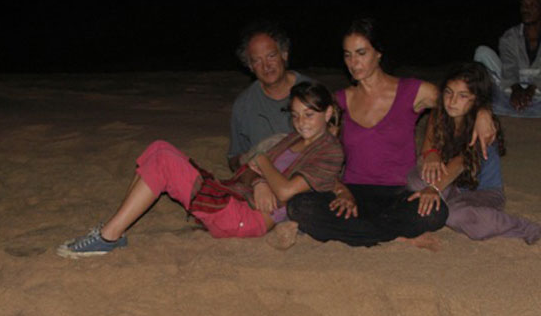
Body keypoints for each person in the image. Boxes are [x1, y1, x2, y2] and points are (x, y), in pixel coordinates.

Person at [57, 82, 344, 258]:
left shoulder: (329, 150)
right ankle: (112, 232)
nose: (300, 122)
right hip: (239, 196)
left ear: (328, 113)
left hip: (248, 220)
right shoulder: (295, 139)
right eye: (295, 115)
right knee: (159, 148)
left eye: (309, 115)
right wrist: (258, 181)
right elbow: (247, 170)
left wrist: (263, 163)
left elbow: (284, 190)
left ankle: (108, 237)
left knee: (164, 163)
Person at [287, 18, 496, 248]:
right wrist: (340, 189)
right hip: (353, 191)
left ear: (378, 53)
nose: (353, 62)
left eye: (361, 53)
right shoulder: (339, 101)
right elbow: (323, 152)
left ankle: (363, 232)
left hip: (399, 194)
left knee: (436, 213)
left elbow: (452, 101)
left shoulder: (411, 90)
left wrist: (483, 112)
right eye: (347, 55)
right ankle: (395, 235)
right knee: (299, 206)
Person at [409, 62, 541, 243]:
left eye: (462, 96)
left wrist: (433, 188)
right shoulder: (440, 113)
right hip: (450, 186)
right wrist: (432, 154)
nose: (452, 101)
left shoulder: (483, 128)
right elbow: (428, 147)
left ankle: (527, 229)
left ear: (476, 99)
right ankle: (439, 205)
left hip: (481, 192)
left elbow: (461, 162)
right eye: (448, 92)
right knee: (415, 178)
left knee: (458, 217)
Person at [228, 20, 310, 171]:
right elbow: (233, 159)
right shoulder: (243, 105)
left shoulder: (312, 92)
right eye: (257, 61)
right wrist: (249, 159)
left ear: (284, 54)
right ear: (250, 66)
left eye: (271, 56)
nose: (266, 66)